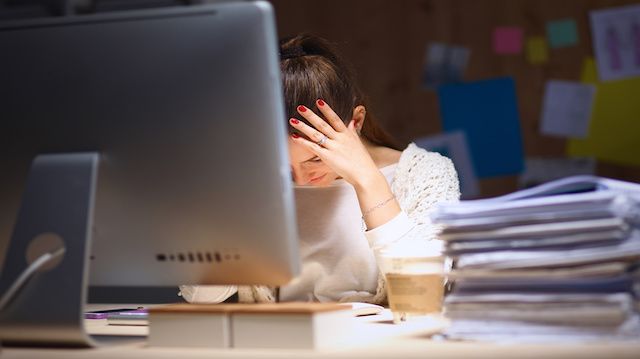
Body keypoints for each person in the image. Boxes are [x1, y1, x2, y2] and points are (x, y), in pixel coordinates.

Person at [179, 33, 460, 305]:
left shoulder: (426, 172)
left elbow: (425, 290)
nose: (300, 179)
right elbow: (201, 294)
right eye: (282, 164)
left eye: (315, 158)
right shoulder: (257, 182)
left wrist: (368, 181)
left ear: (357, 121)